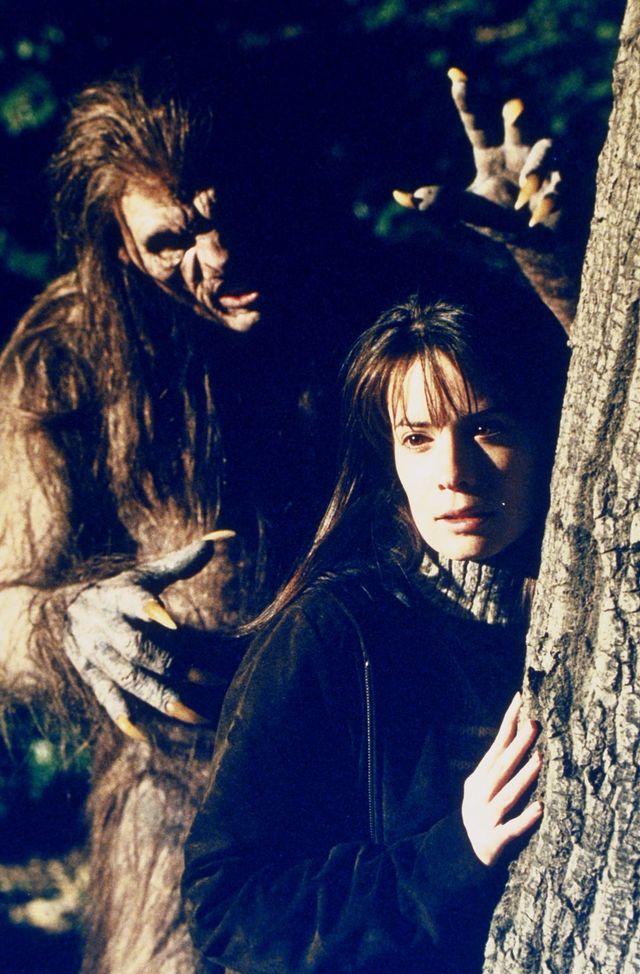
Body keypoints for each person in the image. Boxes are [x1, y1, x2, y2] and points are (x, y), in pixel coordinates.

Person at [182, 289, 569, 973]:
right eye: (417, 439)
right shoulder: (333, 632)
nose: (453, 474)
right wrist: (454, 853)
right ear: (388, 457)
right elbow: (227, 907)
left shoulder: (581, 629)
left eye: (487, 429)